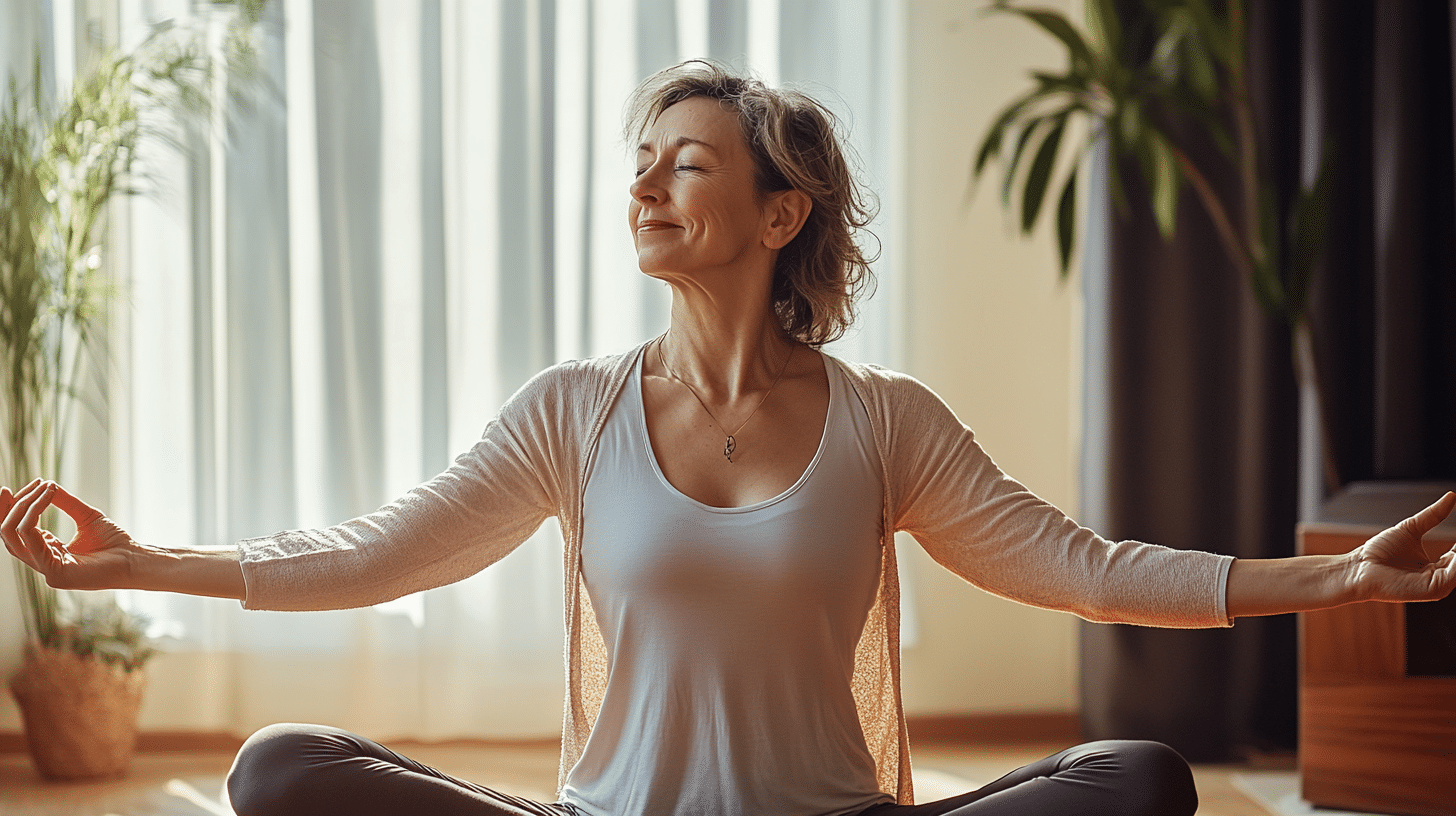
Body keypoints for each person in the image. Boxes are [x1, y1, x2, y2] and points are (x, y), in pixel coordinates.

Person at [4, 60, 1454, 816]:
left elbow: (1083, 566)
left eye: (684, 160)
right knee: (278, 769)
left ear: (780, 215)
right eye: (641, 159)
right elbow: (377, 553)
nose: (645, 178)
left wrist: (1329, 583)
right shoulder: (572, 412)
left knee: (1137, 777)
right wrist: (142, 563)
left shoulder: (886, 423)